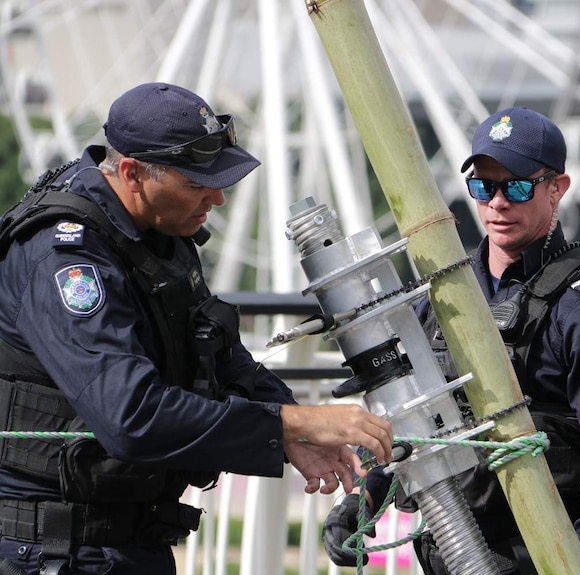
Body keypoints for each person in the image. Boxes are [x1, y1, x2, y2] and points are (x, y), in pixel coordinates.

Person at [0, 82, 393, 575]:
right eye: (196, 183)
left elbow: (215, 346)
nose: (219, 198)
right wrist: (296, 423)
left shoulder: (156, 230)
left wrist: (292, 426)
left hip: (126, 540)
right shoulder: (67, 260)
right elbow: (132, 416)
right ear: (131, 173)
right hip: (51, 551)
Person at [323, 107, 580, 574]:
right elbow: (411, 417)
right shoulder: (445, 295)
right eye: (483, 186)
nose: (498, 202)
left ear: (557, 188)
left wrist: (578, 563)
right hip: (449, 550)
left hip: (536, 556)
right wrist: (366, 496)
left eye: (516, 186)